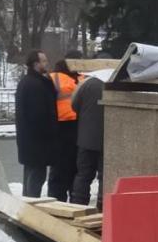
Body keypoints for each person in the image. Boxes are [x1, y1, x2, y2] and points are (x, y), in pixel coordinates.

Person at [15, 50, 57, 198]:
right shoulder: (36, 85)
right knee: (36, 176)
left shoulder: (28, 82)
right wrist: (50, 134)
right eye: (44, 61)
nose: (47, 63)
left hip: (29, 141)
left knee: (30, 172)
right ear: (35, 64)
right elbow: (38, 115)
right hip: (37, 141)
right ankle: (32, 205)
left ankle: (27, 203)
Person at [47, 50, 84, 202]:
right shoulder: (55, 78)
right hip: (67, 128)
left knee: (67, 168)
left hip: (70, 127)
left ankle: (61, 199)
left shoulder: (81, 78)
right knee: (67, 168)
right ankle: (61, 201)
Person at [70, 71, 105, 210]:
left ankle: (78, 205)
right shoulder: (115, 84)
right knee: (104, 176)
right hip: (107, 140)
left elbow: (74, 105)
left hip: (86, 139)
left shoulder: (88, 83)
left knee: (83, 175)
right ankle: (102, 206)